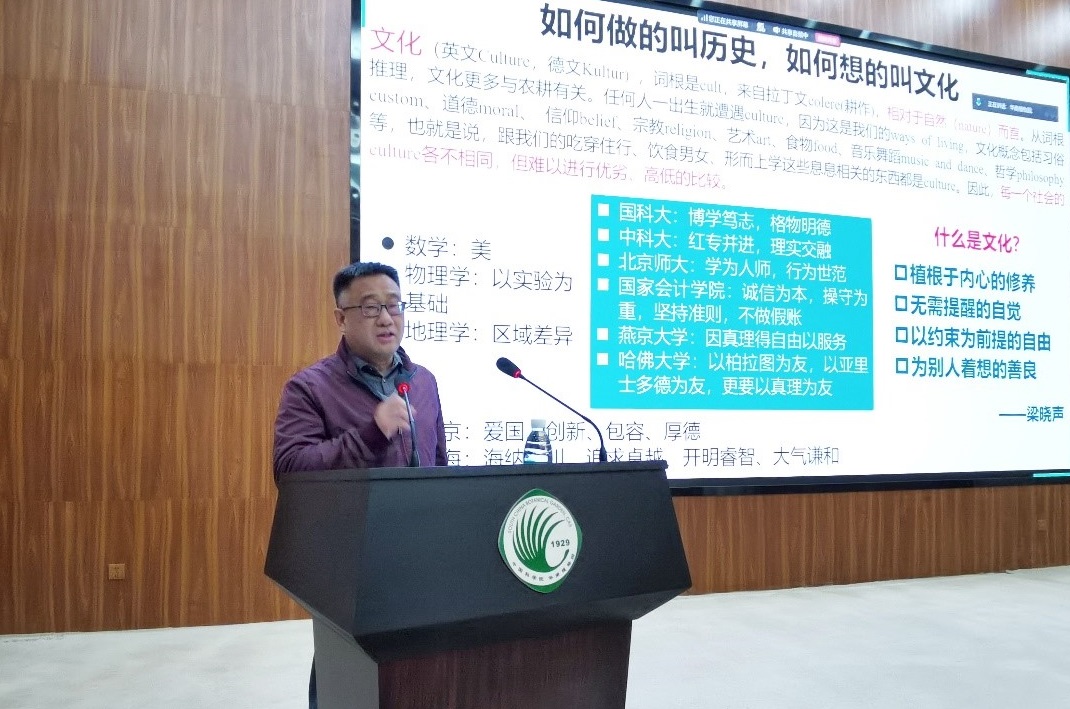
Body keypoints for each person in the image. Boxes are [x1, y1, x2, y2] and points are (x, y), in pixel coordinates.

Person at [272, 261, 448, 707]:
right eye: (371, 307)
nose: (386, 318)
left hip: (423, 555)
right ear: (341, 318)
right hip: (351, 563)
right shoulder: (309, 387)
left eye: (394, 305)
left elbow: (439, 463)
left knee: (424, 672)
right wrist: (372, 433)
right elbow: (290, 469)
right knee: (347, 676)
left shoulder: (423, 382)